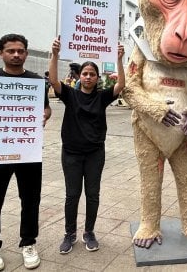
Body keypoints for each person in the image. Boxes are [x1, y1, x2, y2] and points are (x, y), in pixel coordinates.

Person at [0, 33, 52, 272]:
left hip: (27, 150)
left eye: (20, 51)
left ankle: (28, 242)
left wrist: (44, 115)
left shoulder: (36, 82)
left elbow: (45, 108)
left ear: (26, 53)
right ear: (0, 53)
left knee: (31, 199)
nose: (16, 55)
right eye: (11, 51)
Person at [49, 37, 125, 254]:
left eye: (92, 74)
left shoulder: (102, 98)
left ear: (97, 78)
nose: (88, 77)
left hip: (94, 154)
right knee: (72, 195)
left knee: (93, 194)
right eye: (85, 74)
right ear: (79, 77)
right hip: (71, 154)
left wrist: (119, 59)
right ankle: (69, 233)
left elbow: (121, 85)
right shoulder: (70, 95)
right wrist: (54, 54)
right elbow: (53, 81)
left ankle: (89, 232)